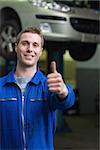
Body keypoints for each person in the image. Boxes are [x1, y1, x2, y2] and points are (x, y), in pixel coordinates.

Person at [0, 26, 75, 150]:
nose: (30, 49)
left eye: (35, 45)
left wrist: (64, 91)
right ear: (16, 47)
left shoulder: (48, 87)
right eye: (25, 43)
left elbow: (67, 102)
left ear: (40, 51)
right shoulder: (1, 86)